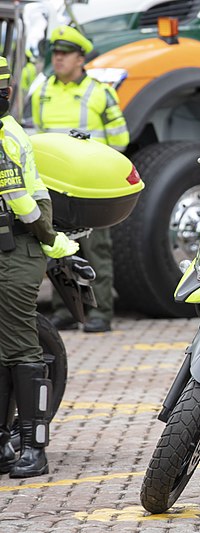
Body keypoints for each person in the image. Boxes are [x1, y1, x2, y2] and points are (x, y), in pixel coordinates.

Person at [0, 55, 80, 478]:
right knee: (3, 349)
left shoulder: (4, 138)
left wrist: (53, 241)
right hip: (13, 246)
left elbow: (23, 204)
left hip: (18, 250)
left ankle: (34, 446)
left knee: (19, 349)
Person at [31, 25, 129, 333]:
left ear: (80, 58)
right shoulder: (43, 91)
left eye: (65, 54)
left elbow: (120, 140)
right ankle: (65, 310)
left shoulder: (100, 93)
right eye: (55, 54)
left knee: (96, 248)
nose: (58, 59)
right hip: (54, 184)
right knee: (56, 246)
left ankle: (100, 313)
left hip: (91, 184)